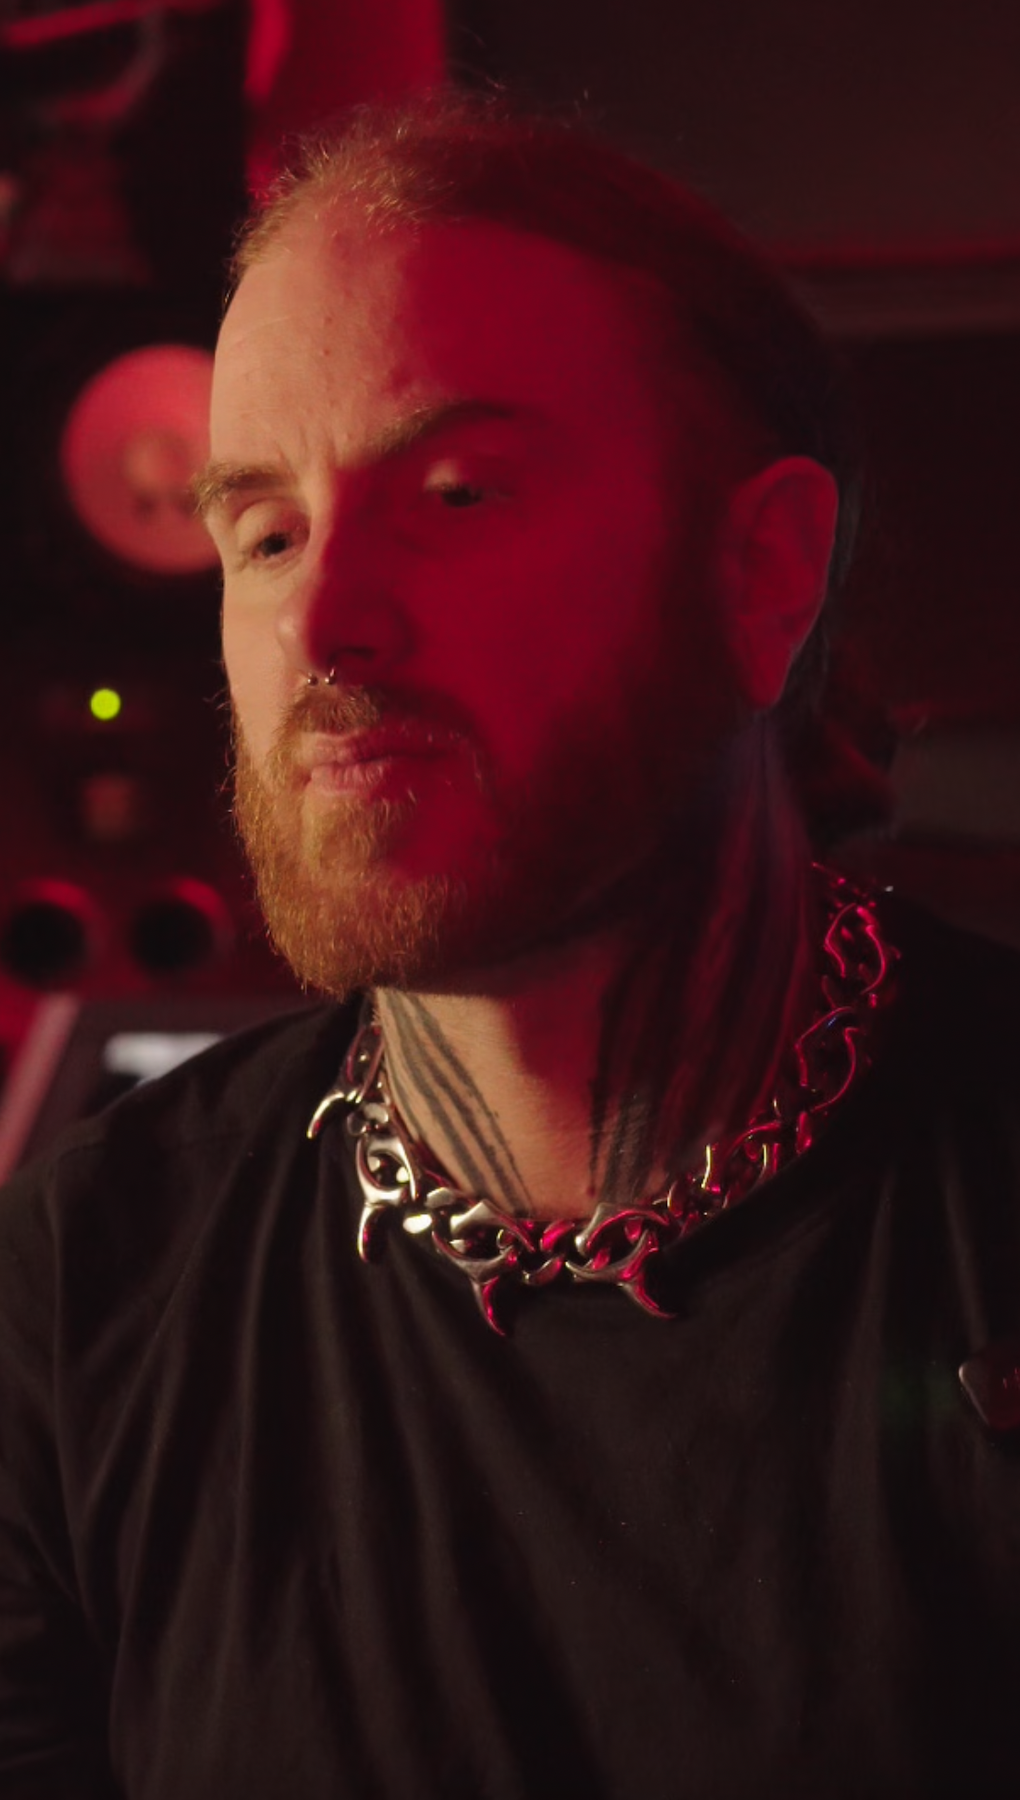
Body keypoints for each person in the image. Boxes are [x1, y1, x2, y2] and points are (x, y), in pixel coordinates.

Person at [1, 90, 1019, 1800]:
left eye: (458, 492)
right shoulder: (89, 1277)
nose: (327, 621)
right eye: (263, 532)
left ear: (763, 573)